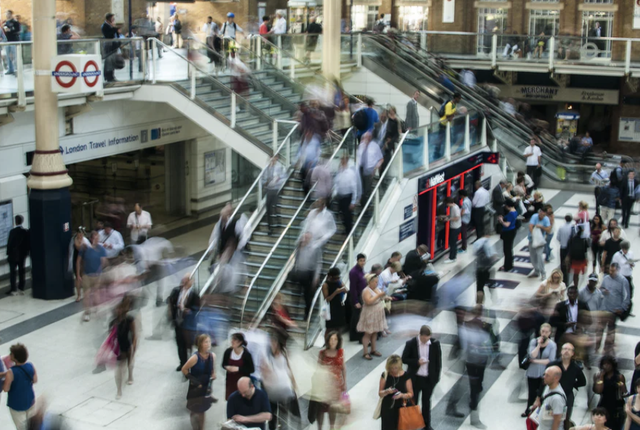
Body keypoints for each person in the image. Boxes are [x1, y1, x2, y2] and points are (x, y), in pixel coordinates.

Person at [401, 325, 441, 430]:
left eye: (427, 339)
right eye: (424, 339)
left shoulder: (435, 344)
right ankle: (411, 425)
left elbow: (438, 362)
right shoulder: (411, 344)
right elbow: (404, 359)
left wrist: (436, 378)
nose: (425, 341)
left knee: (426, 402)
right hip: (415, 379)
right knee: (413, 402)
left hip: (428, 379)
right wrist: (416, 362)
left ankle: (426, 425)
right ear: (420, 335)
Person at [261, 331, 300, 430]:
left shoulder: (284, 353)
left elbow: (288, 369)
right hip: (272, 391)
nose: (273, 345)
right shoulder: (266, 356)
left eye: (274, 343)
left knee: (285, 416)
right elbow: (264, 374)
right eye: (271, 343)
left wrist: (294, 384)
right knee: (272, 416)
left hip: (285, 389)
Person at [182, 334, 216, 430]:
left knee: (202, 411)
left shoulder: (212, 356)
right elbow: (184, 369)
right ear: (200, 344)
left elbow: (213, 371)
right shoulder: (195, 358)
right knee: (194, 410)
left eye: (209, 341)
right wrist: (194, 380)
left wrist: (213, 375)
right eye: (206, 342)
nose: (208, 344)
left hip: (205, 388)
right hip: (195, 389)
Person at [523, 323, 557, 417]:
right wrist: (538, 345)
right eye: (542, 331)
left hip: (544, 373)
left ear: (549, 333)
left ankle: (539, 413)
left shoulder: (552, 345)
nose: (544, 334)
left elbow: (550, 360)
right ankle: (528, 410)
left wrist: (534, 361)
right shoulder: (534, 341)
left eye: (546, 332)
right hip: (532, 372)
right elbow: (532, 354)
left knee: (541, 394)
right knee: (531, 392)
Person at [169, 275, 201, 371]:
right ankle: (182, 362)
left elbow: (197, 308)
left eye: (186, 281)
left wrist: (189, 311)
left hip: (188, 324)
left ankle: (189, 363)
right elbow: (171, 302)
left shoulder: (194, 294)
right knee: (179, 343)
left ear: (191, 282)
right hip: (178, 321)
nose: (184, 283)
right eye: (183, 281)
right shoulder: (177, 291)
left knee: (188, 345)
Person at [2, 343, 37, 429]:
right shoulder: (30, 366)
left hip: (16, 404)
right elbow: (35, 380)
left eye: (11, 353)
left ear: (15, 357)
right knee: (33, 426)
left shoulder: (11, 372)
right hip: (30, 400)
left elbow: (6, 389)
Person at [600, 263, 631, 354]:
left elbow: (627, 297)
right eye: (610, 270)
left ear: (617, 270)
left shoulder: (623, 281)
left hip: (614, 310)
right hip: (604, 308)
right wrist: (603, 291)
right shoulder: (606, 279)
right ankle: (598, 346)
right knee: (601, 328)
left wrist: (622, 308)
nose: (610, 272)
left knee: (610, 329)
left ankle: (608, 348)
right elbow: (600, 289)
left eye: (612, 271)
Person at [77, 231, 107, 322]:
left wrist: (103, 273)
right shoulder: (85, 248)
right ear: (91, 239)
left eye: (98, 238)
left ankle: (97, 310)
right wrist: (78, 274)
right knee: (86, 295)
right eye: (95, 238)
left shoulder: (101, 249)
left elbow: (104, 262)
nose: (96, 240)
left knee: (97, 295)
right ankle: (87, 312)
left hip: (98, 275)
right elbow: (78, 261)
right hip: (87, 275)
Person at [358, 273, 389, 360]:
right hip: (370, 313)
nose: (376, 284)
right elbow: (368, 301)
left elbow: (380, 298)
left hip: (377, 312)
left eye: (377, 282)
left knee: (375, 332)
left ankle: (373, 349)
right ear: (370, 282)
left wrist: (385, 297)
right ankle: (365, 352)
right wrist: (379, 295)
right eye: (375, 282)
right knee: (368, 333)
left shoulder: (377, 289)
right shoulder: (366, 290)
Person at [378, 355, 414, 430]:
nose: (393, 370)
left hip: (402, 407)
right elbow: (380, 393)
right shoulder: (385, 375)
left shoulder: (406, 376)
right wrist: (386, 391)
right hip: (388, 407)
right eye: (391, 368)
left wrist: (401, 395)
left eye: (395, 368)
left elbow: (410, 393)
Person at [111, 296, 136, 400]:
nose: (118, 310)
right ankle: (119, 390)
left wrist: (133, 346)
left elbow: (134, 334)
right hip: (119, 347)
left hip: (127, 344)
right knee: (119, 369)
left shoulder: (129, 319)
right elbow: (110, 337)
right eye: (117, 309)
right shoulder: (113, 322)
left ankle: (130, 375)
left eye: (120, 308)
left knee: (129, 362)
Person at [594, 355, 626, 430]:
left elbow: (624, 391)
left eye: (608, 364)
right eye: (604, 364)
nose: (606, 366)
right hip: (604, 403)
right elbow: (598, 390)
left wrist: (621, 385)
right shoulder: (599, 376)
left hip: (616, 404)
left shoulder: (619, 376)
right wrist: (601, 378)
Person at [222, 333, 255, 401]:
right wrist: (227, 367)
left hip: (242, 383)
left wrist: (238, 369)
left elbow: (251, 369)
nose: (232, 341)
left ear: (240, 342)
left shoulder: (246, 354)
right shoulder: (228, 352)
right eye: (232, 339)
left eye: (235, 340)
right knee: (231, 399)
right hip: (231, 381)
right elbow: (223, 364)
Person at [534, 366, 567, 430]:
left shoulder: (557, 398)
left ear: (556, 378)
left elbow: (557, 419)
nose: (544, 377)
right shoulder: (548, 387)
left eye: (547, 375)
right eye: (544, 374)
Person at [334, 154, 359, 235]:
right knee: (341, 214)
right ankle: (346, 229)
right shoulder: (339, 171)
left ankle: (349, 231)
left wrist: (353, 201)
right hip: (340, 196)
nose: (341, 161)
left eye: (343, 159)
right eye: (341, 159)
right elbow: (337, 182)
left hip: (348, 196)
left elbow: (354, 187)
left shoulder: (350, 173)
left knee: (348, 215)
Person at [357, 132, 384, 206]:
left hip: (370, 169)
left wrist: (375, 168)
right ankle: (363, 202)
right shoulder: (361, 145)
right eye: (365, 137)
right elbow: (359, 157)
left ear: (370, 138)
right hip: (361, 168)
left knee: (367, 189)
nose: (366, 139)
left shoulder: (375, 146)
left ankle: (366, 205)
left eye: (368, 137)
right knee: (361, 187)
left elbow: (381, 159)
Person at [6, 215, 29, 296]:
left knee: (13, 273)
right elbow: (27, 244)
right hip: (22, 256)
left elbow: (9, 244)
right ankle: (21, 288)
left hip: (13, 256)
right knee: (21, 271)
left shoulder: (12, 232)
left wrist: (8, 253)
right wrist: (26, 253)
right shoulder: (25, 232)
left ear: (15, 221)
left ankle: (13, 289)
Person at [262, 156, 286, 235]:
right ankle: (270, 228)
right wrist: (266, 183)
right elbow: (262, 180)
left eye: (274, 159)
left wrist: (275, 182)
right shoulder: (266, 169)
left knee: (275, 206)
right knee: (268, 209)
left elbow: (283, 178)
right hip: (269, 190)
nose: (272, 161)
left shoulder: (279, 167)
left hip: (276, 190)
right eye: (271, 159)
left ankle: (278, 221)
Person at [529, 208, 552, 280]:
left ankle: (543, 273)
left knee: (539, 256)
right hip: (532, 239)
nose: (542, 216)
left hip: (540, 240)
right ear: (539, 213)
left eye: (544, 215)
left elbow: (548, 229)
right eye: (541, 214)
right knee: (533, 256)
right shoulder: (534, 216)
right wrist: (534, 235)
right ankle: (536, 271)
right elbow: (530, 226)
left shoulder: (546, 219)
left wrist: (541, 227)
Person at [349, 254, 367, 342]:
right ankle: (354, 335)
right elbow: (353, 288)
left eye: (364, 260)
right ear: (357, 261)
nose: (362, 262)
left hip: (362, 295)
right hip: (356, 296)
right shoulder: (354, 272)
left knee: (359, 316)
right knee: (356, 317)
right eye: (361, 261)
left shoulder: (361, 270)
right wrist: (355, 301)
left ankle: (357, 334)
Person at [498, 199, 518, 272]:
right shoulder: (515, 211)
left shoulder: (510, 214)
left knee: (506, 250)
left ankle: (507, 266)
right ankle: (509, 264)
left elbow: (507, 224)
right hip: (512, 231)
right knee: (509, 249)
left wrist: (501, 221)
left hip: (508, 232)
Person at [568, 224, 589, 289]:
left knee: (576, 274)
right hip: (581, 259)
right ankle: (577, 286)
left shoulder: (573, 238)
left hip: (574, 259)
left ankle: (576, 286)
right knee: (581, 273)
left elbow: (570, 249)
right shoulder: (584, 239)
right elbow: (586, 250)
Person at [101, 13, 119, 83]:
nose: (113, 20)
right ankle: (108, 76)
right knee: (109, 61)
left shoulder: (111, 26)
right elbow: (109, 35)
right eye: (112, 19)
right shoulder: (105, 26)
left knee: (112, 61)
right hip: (109, 45)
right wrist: (114, 29)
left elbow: (116, 35)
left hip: (113, 45)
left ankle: (112, 75)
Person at [556, 214, 575, 282]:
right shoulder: (573, 227)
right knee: (569, 263)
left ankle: (564, 279)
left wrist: (562, 241)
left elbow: (558, 237)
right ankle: (568, 278)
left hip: (563, 247)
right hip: (570, 249)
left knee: (563, 264)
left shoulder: (561, 227)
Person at [445, 197, 462, 264]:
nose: (447, 205)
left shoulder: (455, 208)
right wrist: (447, 216)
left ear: (449, 203)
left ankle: (452, 258)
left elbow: (457, 217)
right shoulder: (454, 207)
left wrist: (449, 219)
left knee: (452, 243)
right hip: (456, 227)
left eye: (447, 204)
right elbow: (453, 215)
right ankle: (453, 257)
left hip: (455, 228)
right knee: (453, 243)